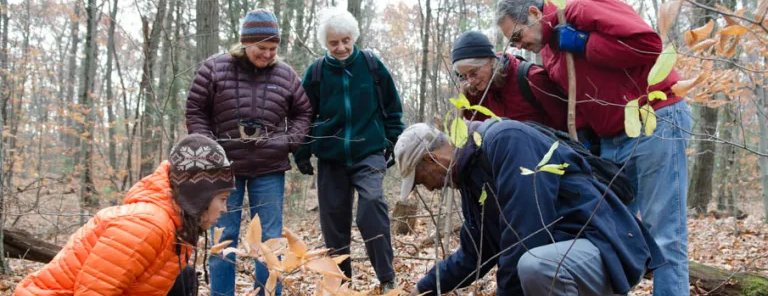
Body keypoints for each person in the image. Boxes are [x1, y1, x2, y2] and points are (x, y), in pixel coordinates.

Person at [495, 0, 692, 294]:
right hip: (611, 140)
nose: (520, 45)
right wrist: (587, 136)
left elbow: (648, 45)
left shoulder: (581, 9)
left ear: (535, 14)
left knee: (663, 233)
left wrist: (585, 43)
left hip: (656, 119)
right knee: (610, 233)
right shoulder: (548, 52)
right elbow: (581, 95)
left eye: (517, 36)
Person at [396, 121, 665, 296]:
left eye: (421, 180)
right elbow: (475, 254)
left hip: (601, 248)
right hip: (565, 259)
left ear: (432, 159)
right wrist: (423, 289)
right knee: (534, 267)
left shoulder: (506, 141)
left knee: (535, 266)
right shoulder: (471, 181)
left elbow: (527, 234)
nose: (428, 189)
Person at [185, 8, 312, 296]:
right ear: (245, 43)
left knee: (269, 240)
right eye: (261, 48)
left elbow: (304, 112)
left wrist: (288, 142)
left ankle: (268, 293)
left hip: (269, 169)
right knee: (223, 237)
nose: (267, 54)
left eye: (273, 48)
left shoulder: (286, 75)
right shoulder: (214, 69)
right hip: (223, 170)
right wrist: (210, 149)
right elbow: (195, 110)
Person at [13, 134, 235, 296]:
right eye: (222, 199)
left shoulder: (175, 227)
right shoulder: (146, 225)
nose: (224, 210)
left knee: (184, 278)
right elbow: (93, 293)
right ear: (199, 197)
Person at [293, 8, 404, 291]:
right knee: (333, 224)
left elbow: (392, 107)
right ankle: (341, 285)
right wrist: (302, 151)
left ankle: (387, 279)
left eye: (345, 40)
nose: (341, 47)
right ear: (325, 44)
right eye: (334, 43)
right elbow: (304, 114)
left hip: (369, 151)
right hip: (331, 157)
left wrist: (393, 141)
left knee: (372, 205)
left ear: (353, 37)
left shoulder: (371, 65)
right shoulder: (317, 72)